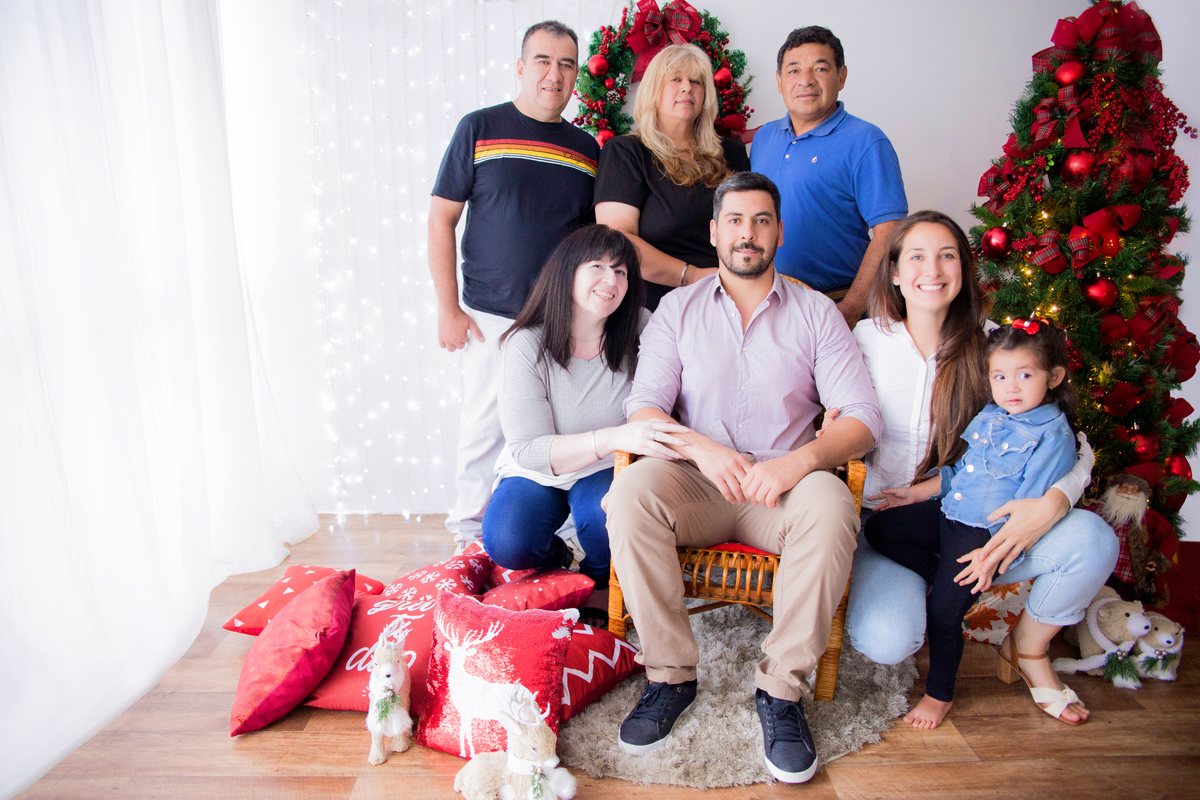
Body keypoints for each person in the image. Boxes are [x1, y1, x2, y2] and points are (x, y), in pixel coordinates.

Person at [603, 172, 881, 783]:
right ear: (714, 231)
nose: (747, 233)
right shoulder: (676, 309)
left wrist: (797, 462)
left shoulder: (817, 314)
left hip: (781, 487)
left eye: (760, 221)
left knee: (833, 503)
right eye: (735, 220)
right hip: (697, 483)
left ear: (779, 232)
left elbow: (862, 419)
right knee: (628, 496)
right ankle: (670, 676)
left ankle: (781, 691)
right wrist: (702, 450)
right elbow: (643, 407)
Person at [842, 211, 1117, 728]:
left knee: (1094, 539)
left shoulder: (997, 348)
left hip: (986, 523)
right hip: (887, 521)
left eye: (948, 254)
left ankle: (1029, 647)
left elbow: (1072, 442)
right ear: (895, 273)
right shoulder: (861, 341)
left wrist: (1053, 503)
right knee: (889, 640)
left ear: (965, 269)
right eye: (916, 256)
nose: (933, 268)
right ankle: (947, 587)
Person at [429, 21, 601, 547]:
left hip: (561, 319)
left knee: (562, 430)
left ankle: (556, 541)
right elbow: (441, 220)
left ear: (577, 76)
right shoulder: (480, 127)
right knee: (484, 429)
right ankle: (465, 539)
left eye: (568, 64)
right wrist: (448, 308)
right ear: (521, 67)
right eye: (544, 61)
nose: (556, 73)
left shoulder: (587, 149)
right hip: (490, 315)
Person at [864, 320, 1080, 729]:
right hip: (949, 513)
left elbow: (1028, 513)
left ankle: (939, 693)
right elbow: (962, 472)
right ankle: (948, 581)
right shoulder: (991, 415)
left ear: (1053, 377)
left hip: (983, 535)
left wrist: (990, 555)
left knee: (943, 613)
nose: (1011, 387)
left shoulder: (1052, 436)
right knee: (880, 528)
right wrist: (916, 493)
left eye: (1025, 375)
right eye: (1000, 376)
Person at [481, 225, 689, 625]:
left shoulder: (642, 328)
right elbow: (529, 449)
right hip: (541, 469)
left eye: (622, 271)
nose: (611, 280)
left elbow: (691, 379)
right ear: (567, 272)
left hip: (608, 467)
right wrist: (615, 435)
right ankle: (558, 557)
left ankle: (596, 582)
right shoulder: (527, 343)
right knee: (507, 538)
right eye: (597, 266)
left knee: (607, 517)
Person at [750, 26, 907, 329]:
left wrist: (849, 309)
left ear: (841, 76)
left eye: (820, 68)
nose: (805, 80)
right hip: (767, 309)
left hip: (837, 306)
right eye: (793, 70)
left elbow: (890, 233)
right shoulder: (764, 138)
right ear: (780, 81)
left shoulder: (866, 142)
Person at [595, 43, 750, 311]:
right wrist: (692, 276)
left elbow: (750, 228)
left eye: (696, 81)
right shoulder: (626, 152)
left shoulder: (732, 152)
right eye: (675, 79)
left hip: (729, 302)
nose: (687, 87)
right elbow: (617, 239)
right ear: (654, 91)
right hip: (654, 308)